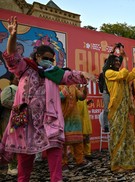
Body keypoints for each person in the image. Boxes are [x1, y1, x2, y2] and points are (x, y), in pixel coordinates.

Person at [0, 16, 94, 182]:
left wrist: (84, 74)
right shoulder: (25, 68)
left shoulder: (54, 74)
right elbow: (12, 56)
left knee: (55, 153)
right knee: (25, 160)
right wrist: (12, 36)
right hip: (26, 121)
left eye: (51, 59)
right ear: (36, 56)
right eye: (45, 57)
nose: (49, 61)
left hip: (48, 121)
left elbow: (69, 75)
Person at [105, 49, 135, 172]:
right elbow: (124, 73)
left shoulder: (122, 75)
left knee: (128, 137)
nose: (117, 62)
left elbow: (133, 73)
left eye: (118, 61)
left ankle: (127, 164)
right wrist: (125, 58)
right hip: (116, 110)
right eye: (115, 61)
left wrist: (133, 58)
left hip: (124, 110)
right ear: (109, 62)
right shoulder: (109, 73)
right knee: (118, 137)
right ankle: (117, 165)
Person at [60, 84, 91, 172]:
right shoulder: (57, 86)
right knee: (63, 144)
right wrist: (65, 91)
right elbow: (58, 97)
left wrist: (84, 90)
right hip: (63, 118)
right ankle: (63, 164)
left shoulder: (73, 87)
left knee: (78, 142)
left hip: (75, 120)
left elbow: (81, 97)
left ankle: (80, 161)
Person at [0, 74, 18, 175]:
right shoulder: (9, 89)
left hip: (19, 120)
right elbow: (4, 101)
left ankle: (16, 164)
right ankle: (10, 166)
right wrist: (18, 105)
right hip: (7, 118)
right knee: (9, 142)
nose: (18, 79)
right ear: (11, 79)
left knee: (17, 142)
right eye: (16, 77)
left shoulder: (21, 88)